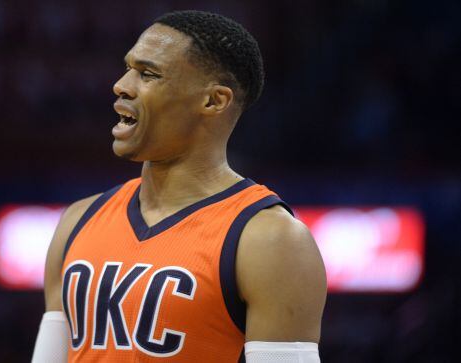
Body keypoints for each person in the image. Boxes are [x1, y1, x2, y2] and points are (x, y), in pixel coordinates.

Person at [32, 10, 326, 363]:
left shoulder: (270, 240)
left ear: (213, 101)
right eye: (128, 68)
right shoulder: (77, 220)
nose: (122, 85)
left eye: (148, 74)